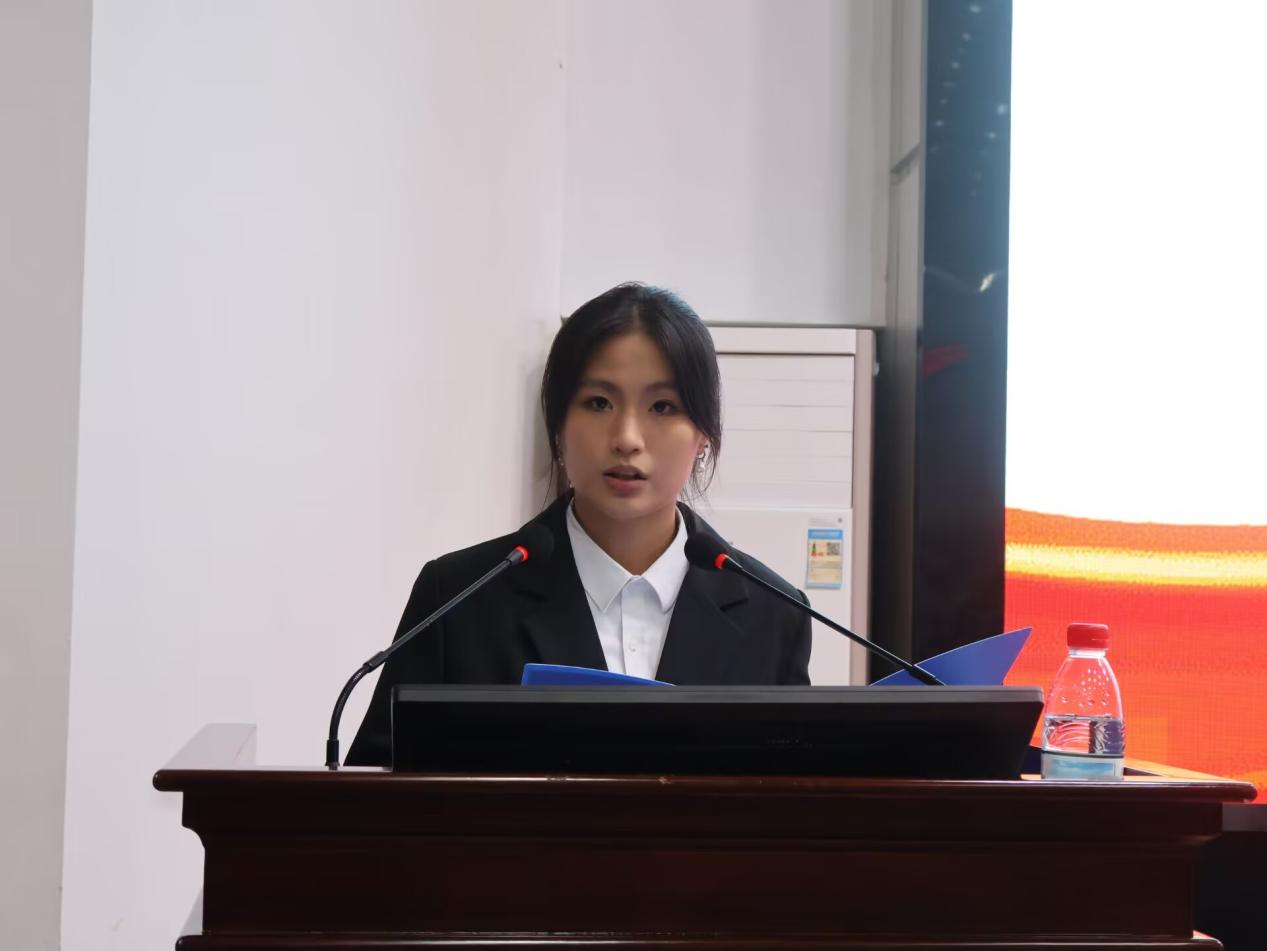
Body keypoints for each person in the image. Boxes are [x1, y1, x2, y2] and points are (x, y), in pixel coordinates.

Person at [346, 283, 812, 766]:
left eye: (662, 407)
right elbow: (377, 795)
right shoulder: (458, 598)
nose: (627, 439)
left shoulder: (774, 615)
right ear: (558, 427)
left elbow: (796, 799)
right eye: (598, 402)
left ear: (702, 436)